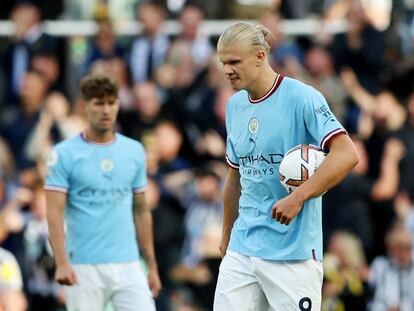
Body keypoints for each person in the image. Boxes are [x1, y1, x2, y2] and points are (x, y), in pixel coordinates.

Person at [214, 22, 359, 310]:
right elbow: (235, 178)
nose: (227, 69)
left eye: (234, 61)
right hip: (243, 248)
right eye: (223, 63)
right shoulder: (234, 107)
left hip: (293, 254)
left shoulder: (301, 97)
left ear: (259, 56)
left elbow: (346, 154)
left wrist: (298, 197)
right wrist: (226, 236)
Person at [44, 73, 161, 311]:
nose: (106, 110)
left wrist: (152, 265)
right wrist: (62, 262)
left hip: (128, 263)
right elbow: (54, 213)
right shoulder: (64, 154)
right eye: (98, 103)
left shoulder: (134, 151)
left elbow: (141, 211)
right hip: (83, 265)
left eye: (111, 102)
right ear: (83, 106)